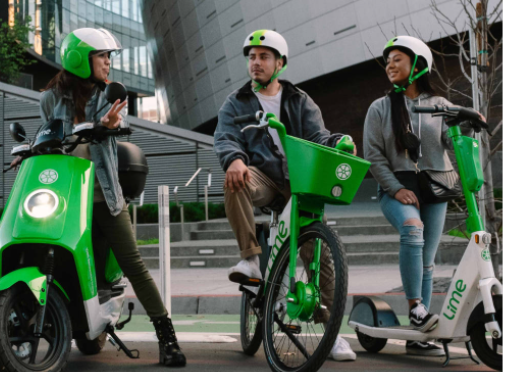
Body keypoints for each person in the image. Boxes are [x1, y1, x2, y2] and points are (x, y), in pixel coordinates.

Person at [38, 28, 186, 367]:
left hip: (104, 196)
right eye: (103, 56)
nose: (108, 62)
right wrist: (29, 152)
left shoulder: (110, 96)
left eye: (109, 57)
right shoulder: (50, 100)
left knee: (133, 263)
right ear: (81, 59)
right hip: (66, 200)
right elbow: (45, 138)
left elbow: (114, 127)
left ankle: (168, 339)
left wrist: (110, 125)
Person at [214, 29, 356, 362]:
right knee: (234, 179)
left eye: (263, 57)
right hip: (262, 178)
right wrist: (234, 158)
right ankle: (250, 258)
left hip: (299, 183)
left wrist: (339, 142)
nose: (256, 63)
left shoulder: (299, 100)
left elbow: (319, 136)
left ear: (280, 63)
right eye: (252, 57)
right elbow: (225, 137)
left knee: (321, 258)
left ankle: (331, 333)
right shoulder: (236, 102)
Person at [363, 36, 483, 356]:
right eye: (388, 59)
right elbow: (373, 155)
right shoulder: (379, 108)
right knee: (412, 229)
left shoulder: (440, 105)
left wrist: (468, 123)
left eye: (398, 59)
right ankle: (416, 306)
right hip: (397, 188)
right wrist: (396, 188)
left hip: (434, 188)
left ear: (418, 65)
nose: (390, 64)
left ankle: (419, 335)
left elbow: (454, 141)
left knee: (427, 263)